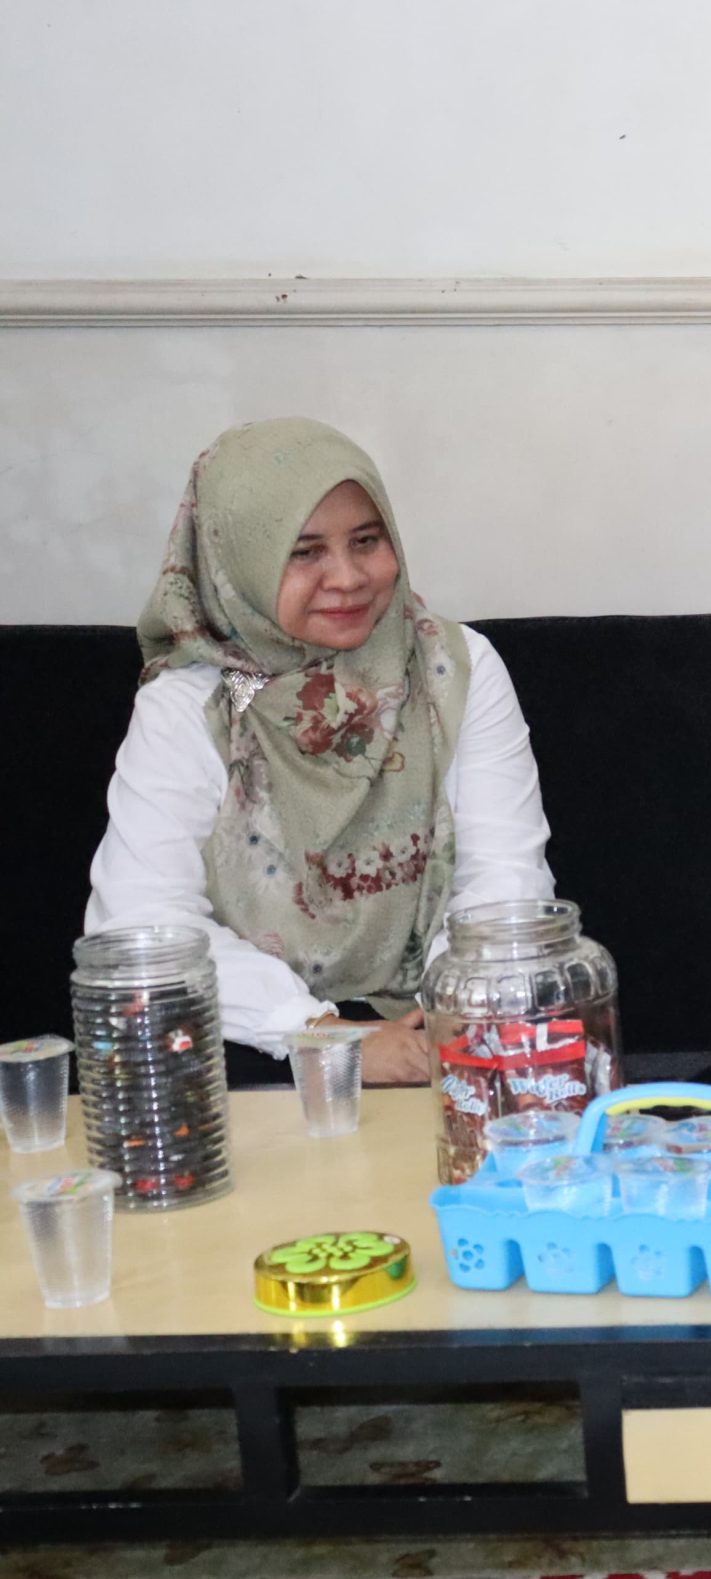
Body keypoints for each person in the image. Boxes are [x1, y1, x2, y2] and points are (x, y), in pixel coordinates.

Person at [86, 418, 556, 1085]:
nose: (348, 577)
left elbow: (505, 878)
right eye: (304, 552)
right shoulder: (196, 702)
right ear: (237, 563)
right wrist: (318, 1034)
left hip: (444, 1023)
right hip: (249, 1045)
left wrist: (455, 1017)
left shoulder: (452, 669)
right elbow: (139, 922)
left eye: (367, 541)